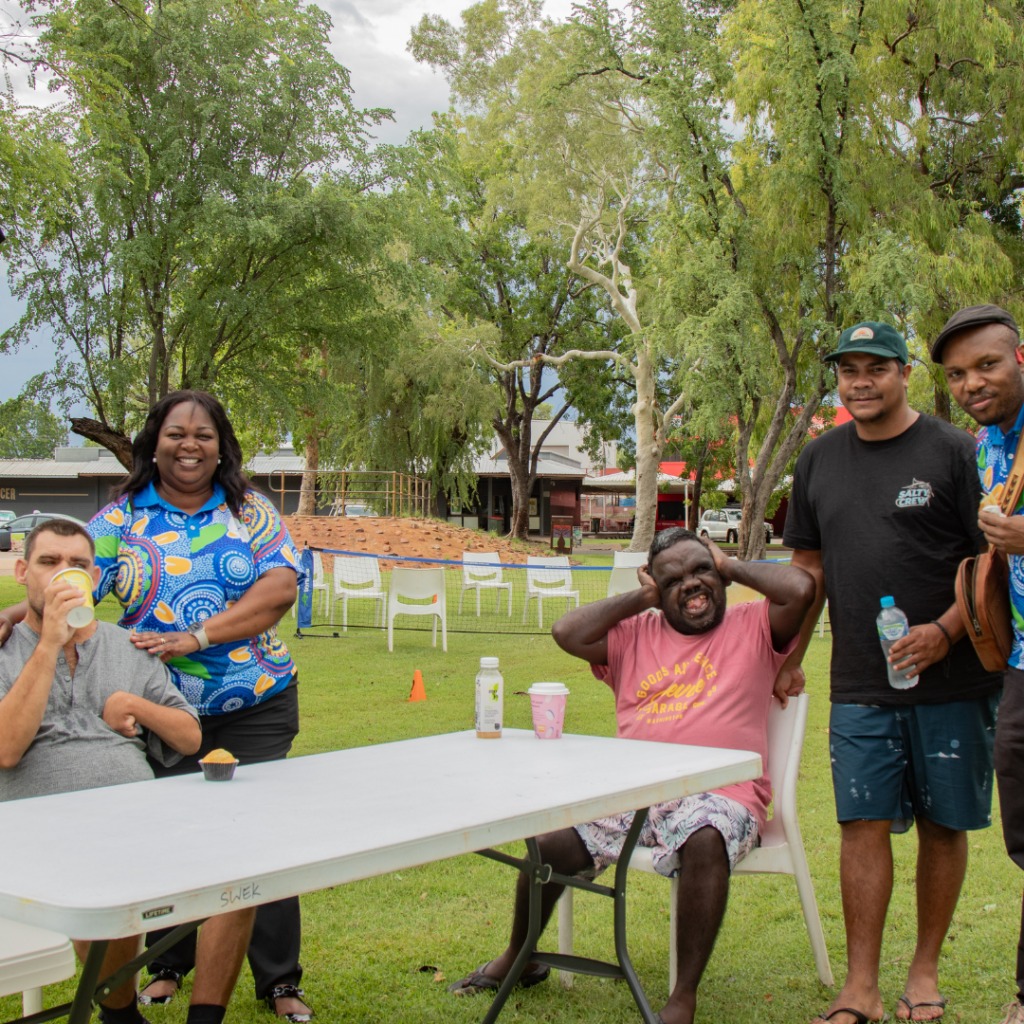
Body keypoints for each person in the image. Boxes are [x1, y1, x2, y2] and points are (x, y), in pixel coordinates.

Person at [0, 390, 312, 1024]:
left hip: (252, 703)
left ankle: (279, 981)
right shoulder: (121, 520)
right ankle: (167, 967)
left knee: (252, 840)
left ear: (221, 444)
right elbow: (69, 581)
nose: (189, 445)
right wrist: (13, 618)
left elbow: (279, 587)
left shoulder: (249, 511)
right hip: (157, 712)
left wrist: (197, 636)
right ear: (155, 442)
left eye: (202, 434)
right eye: (175, 433)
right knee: (169, 846)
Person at [446, 527, 815, 1024]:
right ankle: (522, 955)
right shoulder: (632, 636)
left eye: (701, 571)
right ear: (656, 592)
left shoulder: (755, 626)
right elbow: (565, 632)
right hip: (636, 795)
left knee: (705, 836)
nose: (691, 585)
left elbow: (802, 589)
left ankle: (682, 997)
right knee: (549, 843)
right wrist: (641, 597)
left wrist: (728, 566)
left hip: (721, 795)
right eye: (673, 580)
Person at [780, 321, 1002, 1024]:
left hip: (956, 678)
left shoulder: (955, 451)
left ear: (906, 374)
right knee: (860, 823)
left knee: (944, 825)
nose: (861, 382)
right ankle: (860, 988)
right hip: (860, 683)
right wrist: (788, 655)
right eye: (848, 370)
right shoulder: (817, 460)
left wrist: (943, 633)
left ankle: (926, 972)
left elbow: (993, 564)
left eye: (876, 368)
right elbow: (806, 573)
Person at [0, 518, 245, 1024]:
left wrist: (133, 702)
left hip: (136, 820)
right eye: (49, 562)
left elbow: (189, 737)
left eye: (79, 565)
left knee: (244, 874)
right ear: (23, 571)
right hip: (40, 834)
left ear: (94, 576)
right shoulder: (7, 647)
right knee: (100, 875)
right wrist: (48, 643)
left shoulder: (124, 646)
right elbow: (5, 750)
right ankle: (120, 1013)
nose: (64, 574)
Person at [935, 304, 1024, 1024]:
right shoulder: (990, 444)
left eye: (986, 365)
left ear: (1020, 358)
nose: (972, 383)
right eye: (959, 375)